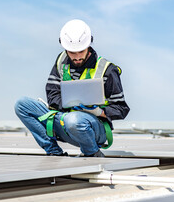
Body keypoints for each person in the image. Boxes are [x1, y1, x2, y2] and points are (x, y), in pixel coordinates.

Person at [15, 19, 130, 157]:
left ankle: (92, 152)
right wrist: (66, 106)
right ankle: (53, 151)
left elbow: (121, 109)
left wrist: (98, 112)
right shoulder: (61, 61)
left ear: (89, 45)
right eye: (72, 52)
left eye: (80, 51)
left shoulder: (107, 70)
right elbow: (52, 94)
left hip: (92, 128)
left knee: (74, 120)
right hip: (64, 120)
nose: (76, 57)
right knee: (22, 105)